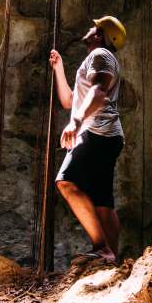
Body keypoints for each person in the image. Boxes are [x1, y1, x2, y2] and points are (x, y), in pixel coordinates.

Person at [48, 16, 126, 263]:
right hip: (108, 135)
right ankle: (112, 260)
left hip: (96, 132)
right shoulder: (96, 58)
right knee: (102, 201)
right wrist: (59, 69)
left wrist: (76, 122)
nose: (90, 28)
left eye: (95, 27)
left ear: (100, 35)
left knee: (65, 182)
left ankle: (102, 247)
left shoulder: (101, 54)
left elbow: (99, 92)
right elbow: (70, 102)